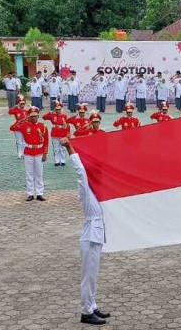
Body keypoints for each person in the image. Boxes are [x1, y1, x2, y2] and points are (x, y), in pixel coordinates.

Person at [60, 138, 110, 325]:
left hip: (96, 237)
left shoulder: (96, 193)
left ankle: (93, 305)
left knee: (93, 276)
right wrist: (70, 148)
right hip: (89, 238)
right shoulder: (86, 191)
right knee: (88, 277)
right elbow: (81, 172)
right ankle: (86, 312)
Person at [11, 107, 49, 201]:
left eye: (35, 116)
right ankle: (30, 193)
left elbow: (46, 141)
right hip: (28, 151)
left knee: (39, 173)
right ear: (29, 116)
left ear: (38, 116)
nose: (33, 118)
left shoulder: (43, 126)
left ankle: (39, 193)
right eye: (31, 116)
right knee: (29, 174)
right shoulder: (24, 126)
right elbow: (12, 128)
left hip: (39, 152)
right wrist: (22, 120)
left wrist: (45, 154)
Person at [43, 102, 70, 166]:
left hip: (63, 132)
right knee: (56, 148)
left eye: (59, 109)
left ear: (61, 109)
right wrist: (49, 113)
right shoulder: (52, 115)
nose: (58, 111)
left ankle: (63, 160)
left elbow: (67, 126)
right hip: (55, 132)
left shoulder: (64, 116)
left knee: (62, 148)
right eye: (56, 109)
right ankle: (57, 161)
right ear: (55, 109)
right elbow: (44, 117)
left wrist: (68, 134)